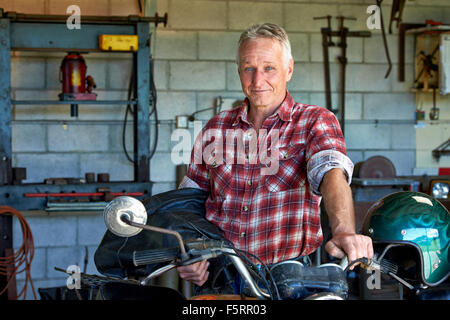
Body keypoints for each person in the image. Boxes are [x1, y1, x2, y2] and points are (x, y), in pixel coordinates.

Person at [177, 23, 373, 287]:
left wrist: (344, 231)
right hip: (221, 277)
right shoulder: (215, 128)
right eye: (249, 69)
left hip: (287, 279)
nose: (258, 81)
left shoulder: (314, 121)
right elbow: (189, 200)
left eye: (269, 68)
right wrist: (190, 252)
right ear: (239, 72)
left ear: (288, 69)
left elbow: (331, 173)